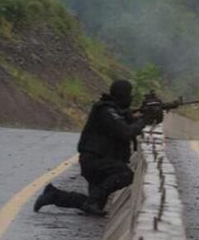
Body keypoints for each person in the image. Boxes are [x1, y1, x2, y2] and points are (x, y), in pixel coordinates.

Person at [34, 80, 161, 216]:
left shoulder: (116, 111)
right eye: (128, 95)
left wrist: (150, 115)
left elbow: (129, 120)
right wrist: (145, 119)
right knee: (125, 175)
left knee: (95, 205)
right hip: (94, 162)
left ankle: (54, 195)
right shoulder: (106, 110)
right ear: (122, 95)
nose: (130, 98)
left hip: (102, 161)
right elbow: (126, 132)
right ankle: (90, 199)